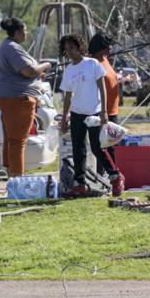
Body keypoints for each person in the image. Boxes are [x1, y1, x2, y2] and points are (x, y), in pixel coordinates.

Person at [0, 17, 52, 177]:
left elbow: (24, 72)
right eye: (25, 30)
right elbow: (28, 71)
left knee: (11, 140)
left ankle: (12, 179)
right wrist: (45, 65)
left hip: (9, 98)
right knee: (18, 141)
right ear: (18, 32)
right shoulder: (12, 47)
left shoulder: (6, 46)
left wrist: (38, 74)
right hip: (18, 99)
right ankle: (17, 181)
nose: (26, 33)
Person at [58, 34, 114, 198]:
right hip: (77, 114)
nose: (70, 52)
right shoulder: (68, 70)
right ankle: (79, 184)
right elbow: (68, 97)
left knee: (97, 148)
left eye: (72, 48)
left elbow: (102, 88)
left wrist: (104, 111)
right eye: (67, 49)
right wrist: (64, 119)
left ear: (79, 48)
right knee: (78, 150)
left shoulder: (92, 64)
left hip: (94, 112)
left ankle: (115, 175)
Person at [88, 32, 125, 196]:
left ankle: (111, 181)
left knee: (110, 150)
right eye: (107, 47)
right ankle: (111, 179)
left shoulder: (105, 60)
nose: (110, 49)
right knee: (100, 148)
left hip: (112, 112)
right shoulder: (93, 64)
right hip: (100, 113)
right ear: (100, 49)